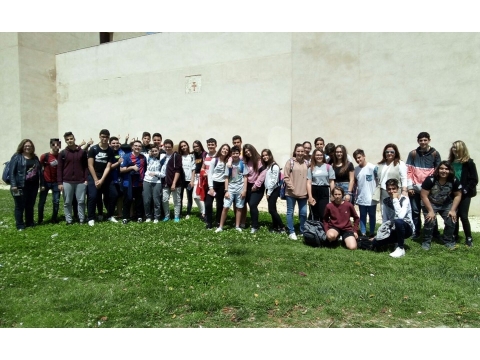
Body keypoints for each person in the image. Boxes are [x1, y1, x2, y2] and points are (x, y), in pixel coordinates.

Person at [406, 131, 442, 239]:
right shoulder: (413, 154)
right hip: (415, 188)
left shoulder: (435, 153)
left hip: (429, 190)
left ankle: (434, 232)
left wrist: (434, 187)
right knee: (415, 211)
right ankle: (415, 232)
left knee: (431, 210)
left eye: (425, 140)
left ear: (429, 140)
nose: (423, 142)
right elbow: (408, 170)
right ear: (418, 141)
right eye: (421, 140)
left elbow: (438, 171)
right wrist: (410, 186)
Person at [420, 161, 462, 250]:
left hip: (446, 204)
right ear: (438, 170)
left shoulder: (454, 180)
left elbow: (458, 195)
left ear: (450, 170)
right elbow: (423, 195)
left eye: (446, 169)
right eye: (441, 168)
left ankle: (447, 240)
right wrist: (431, 211)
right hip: (430, 203)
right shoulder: (430, 179)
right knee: (430, 220)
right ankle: (426, 241)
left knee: (451, 220)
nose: (444, 171)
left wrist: (453, 210)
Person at [370, 179, 415, 258]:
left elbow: (400, 216)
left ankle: (400, 248)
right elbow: (385, 220)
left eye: (394, 188)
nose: (391, 191)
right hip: (393, 228)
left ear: (398, 189)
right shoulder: (386, 201)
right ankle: (395, 241)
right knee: (375, 243)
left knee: (398, 221)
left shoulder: (405, 199)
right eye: (389, 189)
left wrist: (395, 200)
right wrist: (380, 234)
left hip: (407, 228)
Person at [9, 139, 44, 230]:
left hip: (33, 186)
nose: (28, 147)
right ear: (22, 146)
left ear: (32, 147)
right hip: (20, 185)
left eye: (30, 146)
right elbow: (12, 172)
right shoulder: (17, 156)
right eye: (26, 146)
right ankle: (20, 225)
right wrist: (13, 185)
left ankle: (30, 222)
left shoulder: (35, 158)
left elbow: (39, 171)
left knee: (30, 205)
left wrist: (41, 184)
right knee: (20, 205)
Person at [449, 140, 478, 247]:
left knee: (463, 216)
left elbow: (474, 179)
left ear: (461, 149)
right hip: (453, 193)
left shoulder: (469, 163)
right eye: (453, 147)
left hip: (465, 193)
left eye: (456, 147)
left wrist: (465, 190)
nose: (454, 149)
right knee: (453, 215)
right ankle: (454, 236)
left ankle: (468, 238)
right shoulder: (450, 162)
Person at [57, 132, 88, 225]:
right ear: (66, 141)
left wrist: (86, 179)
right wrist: (60, 183)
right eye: (67, 139)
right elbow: (59, 169)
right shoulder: (62, 153)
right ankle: (69, 220)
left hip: (80, 181)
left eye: (71, 139)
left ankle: (82, 219)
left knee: (81, 201)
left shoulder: (82, 152)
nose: (69, 141)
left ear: (74, 139)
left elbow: (85, 167)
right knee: (67, 202)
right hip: (67, 181)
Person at [216, 146, 248, 232]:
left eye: (237, 153)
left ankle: (237, 226)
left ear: (239, 154)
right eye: (233, 153)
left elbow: (245, 177)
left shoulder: (243, 164)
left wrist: (244, 190)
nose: (235, 155)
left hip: (240, 188)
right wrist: (226, 191)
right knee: (225, 207)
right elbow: (226, 178)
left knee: (239, 207)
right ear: (231, 154)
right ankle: (221, 226)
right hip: (230, 188)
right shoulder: (228, 164)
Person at [87, 129, 114, 226]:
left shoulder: (110, 150)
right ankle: (91, 217)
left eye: (106, 137)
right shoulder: (93, 149)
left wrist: (102, 180)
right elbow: (90, 165)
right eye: (103, 136)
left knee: (110, 196)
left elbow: (108, 166)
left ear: (108, 137)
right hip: (93, 175)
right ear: (99, 136)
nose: (104, 139)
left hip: (105, 176)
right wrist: (96, 180)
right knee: (93, 196)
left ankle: (110, 215)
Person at [284, 143, 309, 240]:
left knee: (303, 213)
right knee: (290, 212)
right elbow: (286, 176)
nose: (300, 153)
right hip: (291, 193)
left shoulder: (307, 163)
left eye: (302, 151)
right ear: (295, 152)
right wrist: (292, 187)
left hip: (303, 193)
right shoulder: (290, 162)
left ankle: (302, 230)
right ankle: (291, 231)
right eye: (298, 151)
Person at [241, 144, 267, 233]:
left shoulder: (260, 161)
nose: (248, 153)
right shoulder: (246, 161)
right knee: (246, 204)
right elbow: (233, 158)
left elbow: (263, 174)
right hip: (247, 186)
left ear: (253, 150)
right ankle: (243, 222)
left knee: (252, 204)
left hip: (257, 187)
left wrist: (256, 186)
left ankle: (255, 226)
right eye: (246, 152)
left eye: (249, 150)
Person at [205, 144, 230, 229]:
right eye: (223, 149)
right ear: (220, 149)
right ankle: (208, 222)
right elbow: (210, 174)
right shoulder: (214, 160)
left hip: (222, 185)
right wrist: (211, 187)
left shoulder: (228, 162)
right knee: (208, 204)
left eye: (227, 149)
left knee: (220, 205)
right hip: (213, 184)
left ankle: (218, 220)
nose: (225, 150)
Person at [121, 140, 147, 223]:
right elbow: (121, 169)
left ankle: (139, 216)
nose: (137, 147)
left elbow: (145, 169)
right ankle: (125, 217)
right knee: (127, 200)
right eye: (135, 145)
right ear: (132, 147)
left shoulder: (143, 157)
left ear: (141, 148)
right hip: (128, 183)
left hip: (139, 183)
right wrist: (132, 168)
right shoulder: (126, 156)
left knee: (139, 201)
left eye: (139, 146)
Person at [353, 149, 378, 237]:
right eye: (356, 158)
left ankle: (371, 233)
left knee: (372, 216)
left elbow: (378, 180)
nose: (358, 160)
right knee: (362, 216)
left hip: (371, 197)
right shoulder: (356, 170)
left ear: (364, 156)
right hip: (361, 197)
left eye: (359, 157)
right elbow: (355, 183)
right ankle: (363, 233)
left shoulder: (373, 167)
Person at [306, 149, 335, 222]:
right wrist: (310, 196)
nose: (319, 157)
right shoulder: (311, 168)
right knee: (314, 212)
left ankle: (323, 230)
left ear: (323, 156)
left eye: (321, 155)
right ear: (314, 156)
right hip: (314, 190)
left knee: (323, 213)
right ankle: (314, 230)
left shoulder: (328, 167)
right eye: (317, 155)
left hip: (324, 190)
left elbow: (331, 182)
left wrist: (332, 194)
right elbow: (308, 183)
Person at [38, 138, 61, 224]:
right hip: (46, 182)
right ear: (50, 145)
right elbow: (40, 169)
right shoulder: (45, 156)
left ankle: (54, 218)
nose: (56, 146)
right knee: (42, 201)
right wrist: (41, 183)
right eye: (53, 144)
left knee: (56, 201)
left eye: (57, 144)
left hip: (56, 183)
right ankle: (40, 219)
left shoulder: (61, 156)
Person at [262, 149, 285, 233]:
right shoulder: (268, 166)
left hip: (273, 190)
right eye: (263, 155)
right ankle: (275, 227)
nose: (265, 157)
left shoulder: (274, 166)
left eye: (266, 155)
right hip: (269, 189)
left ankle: (282, 227)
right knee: (273, 209)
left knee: (271, 210)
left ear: (270, 155)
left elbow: (274, 181)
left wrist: (269, 192)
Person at [160, 139, 184, 222]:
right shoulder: (163, 156)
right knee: (164, 199)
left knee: (176, 200)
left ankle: (176, 216)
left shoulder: (176, 156)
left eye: (169, 146)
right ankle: (167, 216)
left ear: (172, 146)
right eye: (165, 146)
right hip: (165, 182)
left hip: (175, 183)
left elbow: (178, 170)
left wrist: (174, 183)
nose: (167, 148)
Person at [142, 145, 163, 223]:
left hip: (157, 182)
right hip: (147, 181)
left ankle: (156, 217)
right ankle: (148, 216)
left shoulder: (162, 158)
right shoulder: (147, 157)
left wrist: (156, 173)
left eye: (156, 151)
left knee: (156, 200)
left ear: (159, 151)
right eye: (152, 151)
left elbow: (163, 173)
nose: (154, 153)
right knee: (146, 200)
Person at [107, 136, 125, 222]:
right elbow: (109, 167)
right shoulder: (108, 152)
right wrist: (118, 163)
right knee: (112, 195)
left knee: (119, 195)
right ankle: (109, 214)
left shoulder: (121, 152)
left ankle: (115, 213)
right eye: (113, 143)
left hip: (119, 178)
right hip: (109, 178)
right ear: (110, 144)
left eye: (117, 143)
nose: (115, 145)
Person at [179, 140, 195, 219]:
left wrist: (192, 180)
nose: (183, 147)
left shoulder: (191, 156)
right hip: (181, 180)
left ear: (187, 146)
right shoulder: (179, 156)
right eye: (181, 146)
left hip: (189, 180)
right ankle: (180, 212)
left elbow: (193, 169)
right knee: (180, 197)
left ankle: (188, 213)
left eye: (184, 145)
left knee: (189, 196)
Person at [192, 140, 206, 219]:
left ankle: (204, 213)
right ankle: (202, 211)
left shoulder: (204, 154)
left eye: (197, 146)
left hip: (201, 177)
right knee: (195, 196)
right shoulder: (194, 155)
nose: (195, 148)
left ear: (200, 146)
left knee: (199, 195)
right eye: (194, 146)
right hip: (196, 177)